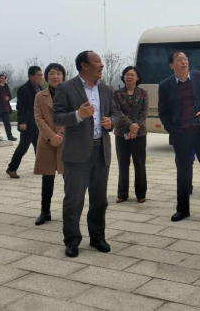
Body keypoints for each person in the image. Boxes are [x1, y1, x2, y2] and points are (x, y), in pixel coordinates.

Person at [53, 51, 120, 258]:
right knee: (74, 200)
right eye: (98, 61)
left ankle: (97, 237)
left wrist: (111, 122)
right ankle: (72, 241)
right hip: (76, 153)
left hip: (101, 150)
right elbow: (57, 117)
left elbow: (116, 113)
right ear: (84, 65)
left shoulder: (107, 90)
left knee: (100, 200)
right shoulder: (66, 87)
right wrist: (78, 115)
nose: (102, 65)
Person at [158, 51, 200, 224]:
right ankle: (183, 210)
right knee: (183, 175)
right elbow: (163, 112)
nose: (184, 62)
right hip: (181, 136)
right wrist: (173, 130)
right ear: (171, 65)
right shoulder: (165, 85)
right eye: (179, 60)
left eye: (185, 59)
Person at [33, 63, 66, 225]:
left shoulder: (69, 94)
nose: (55, 76)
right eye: (52, 73)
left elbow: (74, 116)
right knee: (47, 178)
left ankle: (70, 211)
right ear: (46, 77)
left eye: (58, 73)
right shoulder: (40, 96)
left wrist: (60, 135)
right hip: (47, 141)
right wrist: (51, 136)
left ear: (63, 76)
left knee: (69, 178)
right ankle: (45, 211)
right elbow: (39, 118)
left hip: (66, 141)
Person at [113, 66, 149, 204]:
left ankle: (141, 194)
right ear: (123, 77)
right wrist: (129, 125)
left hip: (139, 134)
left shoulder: (143, 93)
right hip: (121, 133)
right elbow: (116, 111)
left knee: (139, 164)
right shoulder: (117, 94)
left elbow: (144, 112)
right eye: (127, 74)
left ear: (137, 78)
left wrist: (135, 128)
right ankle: (122, 194)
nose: (129, 77)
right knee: (123, 164)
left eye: (132, 75)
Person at [6, 66, 43, 178]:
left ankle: (40, 167)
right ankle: (11, 168)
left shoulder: (40, 88)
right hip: (28, 123)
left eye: (41, 75)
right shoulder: (24, 89)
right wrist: (22, 122)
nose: (41, 77)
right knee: (23, 147)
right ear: (31, 76)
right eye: (38, 75)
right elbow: (20, 107)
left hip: (38, 123)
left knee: (39, 147)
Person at [0, 74, 17, 142]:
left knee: (7, 123)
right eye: (1, 78)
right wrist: (0, 86)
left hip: (5, 108)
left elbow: (10, 95)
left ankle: (10, 136)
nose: (3, 80)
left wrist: (8, 98)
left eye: (4, 79)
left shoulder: (6, 87)